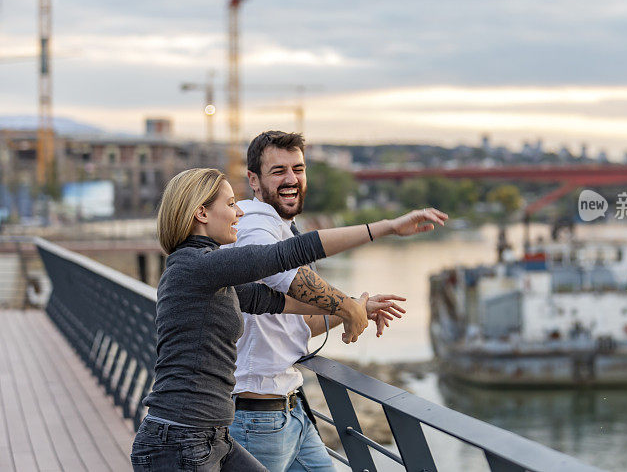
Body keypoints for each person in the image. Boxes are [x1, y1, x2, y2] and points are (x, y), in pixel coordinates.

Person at [130, 167, 447, 471]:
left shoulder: (208, 274)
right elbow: (286, 254)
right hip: (178, 440)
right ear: (201, 213)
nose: (239, 212)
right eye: (229, 204)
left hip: (210, 436)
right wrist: (387, 227)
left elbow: (276, 302)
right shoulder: (197, 266)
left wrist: (354, 305)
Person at [228, 131, 410, 471]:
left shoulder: (282, 227)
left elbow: (300, 324)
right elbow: (278, 271)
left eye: (298, 168)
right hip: (256, 418)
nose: (291, 179)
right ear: (253, 179)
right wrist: (347, 306)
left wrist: (357, 307)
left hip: (292, 411)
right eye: (278, 170)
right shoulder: (253, 220)